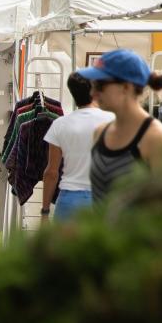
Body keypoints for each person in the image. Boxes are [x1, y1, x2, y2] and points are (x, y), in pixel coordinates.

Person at [79, 48, 162, 203]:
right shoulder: (100, 133)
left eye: (99, 85)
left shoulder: (155, 137)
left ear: (126, 87)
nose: (93, 93)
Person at [40, 73, 115, 222]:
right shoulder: (112, 121)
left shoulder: (60, 124)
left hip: (70, 198)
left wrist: (45, 211)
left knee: (66, 245)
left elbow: (51, 173)